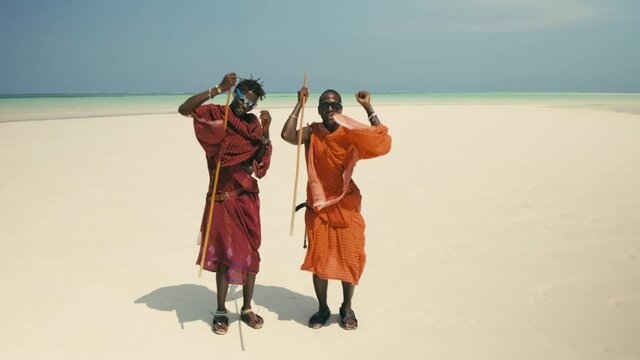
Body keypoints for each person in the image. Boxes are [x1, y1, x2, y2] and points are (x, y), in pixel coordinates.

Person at [281, 87, 391, 330]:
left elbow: (381, 142)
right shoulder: (313, 132)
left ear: (341, 109)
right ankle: (322, 308)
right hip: (319, 207)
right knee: (320, 262)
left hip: (346, 205)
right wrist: (299, 104)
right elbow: (287, 135)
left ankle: (346, 307)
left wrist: (368, 107)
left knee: (349, 257)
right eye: (325, 105)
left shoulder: (350, 132)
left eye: (334, 105)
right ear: (319, 110)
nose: (330, 109)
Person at [178, 72, 272, 335]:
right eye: (242, 98)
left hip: (246, 199)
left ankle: (246, 308)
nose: (245, 105)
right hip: (221, 196)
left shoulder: (253, 124)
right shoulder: (217, 115)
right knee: (223, 255)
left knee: (252, 252)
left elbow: (258, 165)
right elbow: (185, 109)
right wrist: (219, 88)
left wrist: (265, 133)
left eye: (251, 103)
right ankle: (221, 309)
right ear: (236, 94)